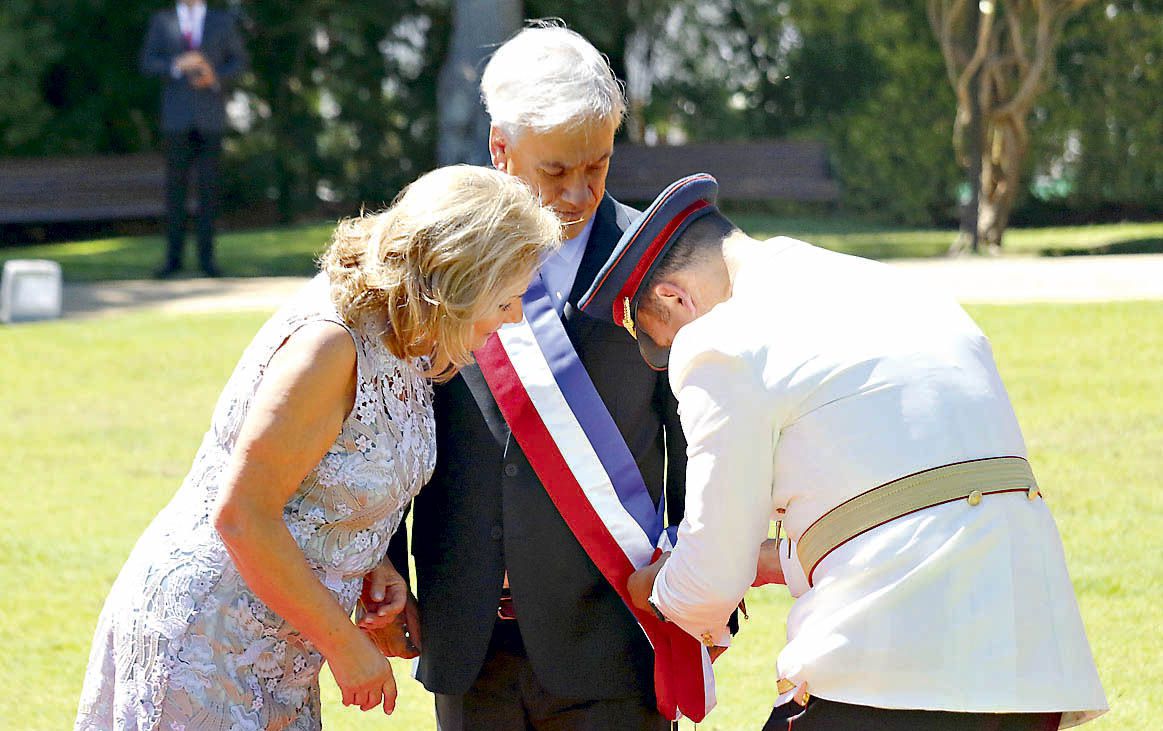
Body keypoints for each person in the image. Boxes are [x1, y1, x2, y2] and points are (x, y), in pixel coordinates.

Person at [580, 174, 1108, 729]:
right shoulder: (892, 287)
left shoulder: (720, 337)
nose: (672, 353)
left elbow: (707, 584)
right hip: (1031, 666)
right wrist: (773, 562)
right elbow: (907, 490)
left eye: (661, 336)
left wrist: (658, 592)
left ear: (672, 297)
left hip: (894, 665)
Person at [74, 166, 561, 731]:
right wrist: (346, 646)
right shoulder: (329, 344)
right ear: (456, 282)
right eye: (507, 299)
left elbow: (327, 475)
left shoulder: (405, 328)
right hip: (208, 641)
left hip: (280, 650)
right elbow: (242, 516)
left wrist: (367, 560)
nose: (516, 317)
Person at [376, 21, 688, 731]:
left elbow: (697, 442)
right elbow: (392, 422)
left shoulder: (660, 263)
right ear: (499, 149)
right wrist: (381, 561)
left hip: (615, 635)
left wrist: (708, 588)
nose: (578, 193)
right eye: (555, 171)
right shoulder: (436, 260)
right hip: (467, 632)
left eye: (598, 166)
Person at [140, 0, 248, 278]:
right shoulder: (162, 21)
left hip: (210, 118)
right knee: (175, 191)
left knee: (209, 191)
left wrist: (214, 76)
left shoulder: (221, 21)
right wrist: (177, 65)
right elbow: (147, 62)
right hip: (176, 120)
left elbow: (239, 62)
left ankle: (208, 260)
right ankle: (173, 260)